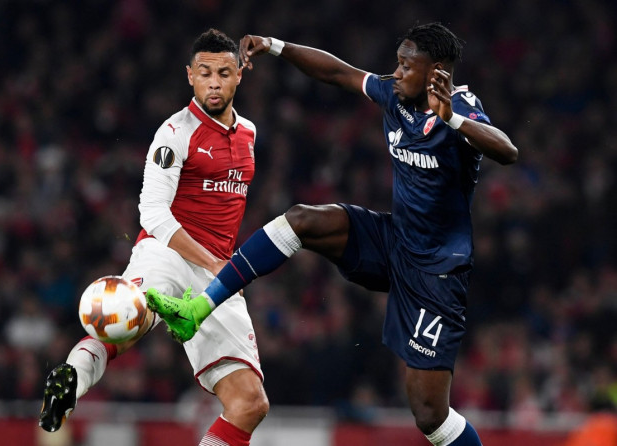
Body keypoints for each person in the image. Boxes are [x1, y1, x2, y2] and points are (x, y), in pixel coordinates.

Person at [146, 23, 519, 446]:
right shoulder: (394, 94)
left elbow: (507, 151)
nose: (396, 72)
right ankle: (198, 308)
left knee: (430, 415)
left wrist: (451, 118)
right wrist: (275, 46)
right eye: (397, 63)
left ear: (436, 73)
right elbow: (338, 72)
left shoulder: (462, 106)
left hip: (437, 272)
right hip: (393, 241)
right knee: (304, 219)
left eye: (406, 66)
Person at [39, 29, 269, 446]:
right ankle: (72, 378)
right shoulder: (174, 132)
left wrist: (218, 267)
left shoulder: (250, 134)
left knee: (250, 403)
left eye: (223, 73)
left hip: (216, 275)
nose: (213, 83)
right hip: (167, 254)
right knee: (127, 318)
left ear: (239, 75)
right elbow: (153, 213)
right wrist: (215, 263)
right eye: (204, 73)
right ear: (190, 76)